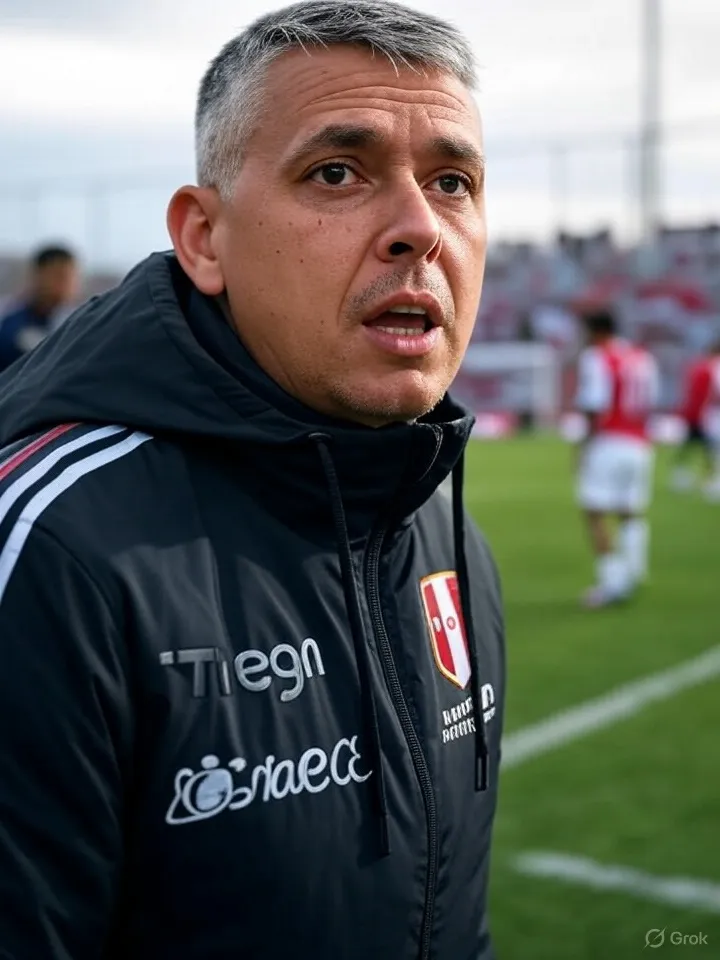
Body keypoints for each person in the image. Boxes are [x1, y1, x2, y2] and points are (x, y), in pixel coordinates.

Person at [0, 3, 504, 958]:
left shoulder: (441, 523)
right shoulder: (50, 552)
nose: (418, 230)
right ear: (204, 238)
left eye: (453, 181)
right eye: (337, 172)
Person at [573, 308, 660, 608]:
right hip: (640, 442)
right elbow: (651, 400)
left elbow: (595, 404)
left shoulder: (597, 356)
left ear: (596, 331)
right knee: (630, 510)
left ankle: (612, 583)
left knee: (594, 512)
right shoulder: (641, 357)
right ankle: (634, 570)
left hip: (609, 441)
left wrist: (583, 446)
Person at [0, 244, 79, 372]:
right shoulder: (8, 317)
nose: (68, 284)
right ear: (38, 275)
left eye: (72, 277)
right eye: (60, 276)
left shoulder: (76, 322)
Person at [669, 339, 720, 496]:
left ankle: (682, 475)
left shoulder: (700, 367)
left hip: (700, 413)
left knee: (694, 445)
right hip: (709, 415)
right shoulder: (712, 368)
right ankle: (709, 480)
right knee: (710, 448)